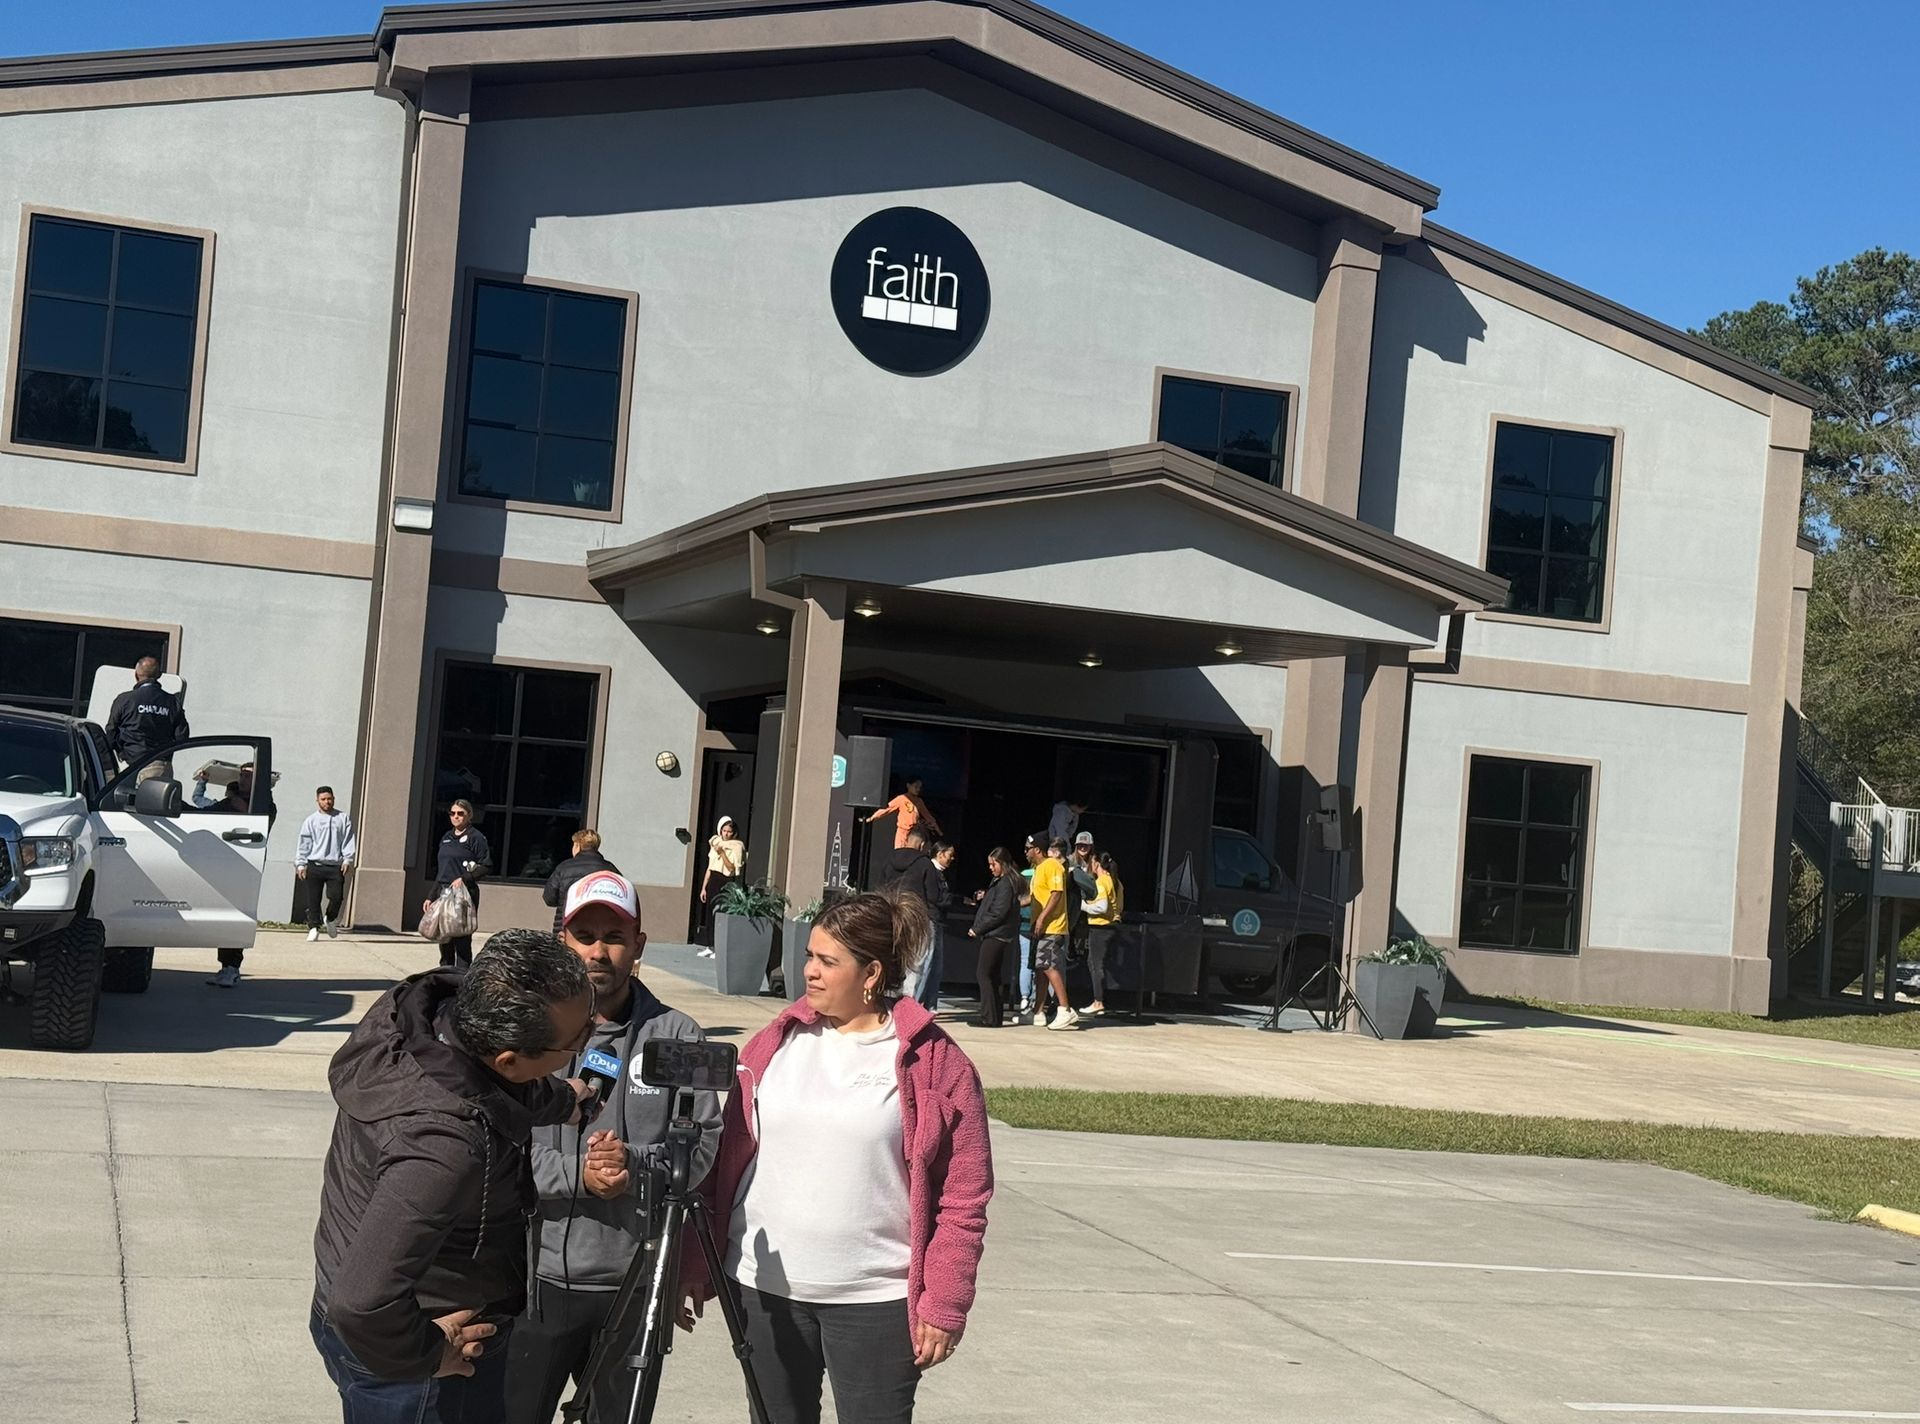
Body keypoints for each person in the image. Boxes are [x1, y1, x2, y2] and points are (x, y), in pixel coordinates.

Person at [698, 888, 993, 1424]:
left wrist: (946, 1300)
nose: (809, 971)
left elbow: (964, 1197)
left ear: (871, 973)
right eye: (809, 955)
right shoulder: (774, 1042)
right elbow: (724, 1162)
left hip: (876, 1300)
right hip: (763, 1290)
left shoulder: (935, 1062)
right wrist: (697, 1264)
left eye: (827, 961)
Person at [310, 929, 598, 1424]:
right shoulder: (443, 1147)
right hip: (414, 1352)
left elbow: (493, 1085)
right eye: (579, 1038)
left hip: (373, 1314)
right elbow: (361, 1305)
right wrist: (428, 1354)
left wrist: (564, 1101)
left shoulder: (425, 1017)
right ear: (510, 1058)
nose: (590, 1033)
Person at [505, 871, 722, 1424]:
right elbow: (501, 1150)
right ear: (562, 941)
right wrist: (580, 1174)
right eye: (585, 936)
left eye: (615, 937)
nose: (598, 952)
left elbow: (700, 1147)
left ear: (639, 945)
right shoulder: (524, 1032)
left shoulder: (678, 1036)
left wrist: (632, 1165)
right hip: (532, 1279)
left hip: (636, 1283)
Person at [203, 763, 275, 988]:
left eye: (248, 776)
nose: (243, 780)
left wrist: (237, 803)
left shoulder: (265, 804)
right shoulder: (229, 801)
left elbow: (258, 822)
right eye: (241, 775)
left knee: (237, 913)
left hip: (245, 864)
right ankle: (226, 966)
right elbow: (206, 813)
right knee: (224, 915)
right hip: (224, 863)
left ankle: (233, 966)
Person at [884, 830, 949, 1009]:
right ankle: (909, 1007)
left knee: (894, 959)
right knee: (916, 965)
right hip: (918, 918)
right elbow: (933, 895)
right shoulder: (925, 864)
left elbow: (881, 885)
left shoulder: (889, 860)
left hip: (894, 916)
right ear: (922, 845)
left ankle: (888, 1003)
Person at [428, 800, 492, 970]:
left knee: (462, 941)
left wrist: (464, 878)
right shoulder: (446, 837)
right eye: (453, 813)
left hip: (464, 894)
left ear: (469, 815)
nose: (456, 816)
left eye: (460, 813)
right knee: (445, 939)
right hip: (444, 893)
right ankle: (445, 974)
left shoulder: (476, 838)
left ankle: (462, 977)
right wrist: (431, 896)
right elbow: (442, 870)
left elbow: (486, 866)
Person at [966, 847, 1023, 1028]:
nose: (991, 868)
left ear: (1003, 863)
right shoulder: (1003, 881)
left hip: (996, 934)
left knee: (984, 974)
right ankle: (995, 1016)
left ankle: (988, 1017)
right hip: (1000, 933)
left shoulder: (1005, 883)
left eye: (994, 864)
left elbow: (999, 912)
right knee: (993, 975)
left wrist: (978, 929)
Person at [106, 657, 188, 781]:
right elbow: (182, 737)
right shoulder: (172, 702)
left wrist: (120, 751)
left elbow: (111, 732)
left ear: (136, 675)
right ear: (159, 675)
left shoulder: (124, 700)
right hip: (158, 766)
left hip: (128, 767)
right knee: (154, 794)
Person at [1026, 838, 1078, 1030]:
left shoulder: (1053, 865)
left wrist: (1041, 918)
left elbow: (1056, 893)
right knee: (1040, 968)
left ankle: (1065, 1009)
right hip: (1040, 928)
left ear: (1037, 850)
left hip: (1052, 927)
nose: (1025, 852)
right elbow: (1034, 898)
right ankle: (1037, 1012)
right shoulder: (1038, 870)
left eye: (1028, 848)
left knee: (1047, 965)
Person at [297, 786, 357, 944]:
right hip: (315, 865)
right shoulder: (311, 820)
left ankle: (330, 918)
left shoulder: (342, 818)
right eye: (323, 799)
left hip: (335, 865)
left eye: (329, 799)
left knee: (337, 897)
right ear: (317, 800)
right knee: (313, 899)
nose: (327, 802)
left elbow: (348, 840)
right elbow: (304, 843)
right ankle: (313, 928)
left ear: (333, 799)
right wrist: (301, 864)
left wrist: (347, 859)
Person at [542, 828, 620, 938]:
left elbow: (549, 898)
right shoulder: (610, 869)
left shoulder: (564, 867)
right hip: (598, 931)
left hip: (566, 929)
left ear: (577, 846)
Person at [1081, 852, 1124, 1018]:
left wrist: (1083, 906)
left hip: (1100, 928)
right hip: (1109, 927)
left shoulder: (1101, 882)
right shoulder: (1114, 881)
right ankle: (1098, 1000)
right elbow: (1118, 906)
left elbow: (1102, 907)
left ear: (1096, 863)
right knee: (1095, 963)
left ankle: (1098, 1002)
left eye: (1091, 862)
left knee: (1095, 965)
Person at [698, 816, 746, 954]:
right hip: (713, 880)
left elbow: (731, 868)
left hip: (724, 881)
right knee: (710, 913)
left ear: (733, 833)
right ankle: (709, 945)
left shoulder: (736, 847)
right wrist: (704, 888)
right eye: (724, 831)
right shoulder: (716, 843)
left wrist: (723, 853)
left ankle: (718, 948)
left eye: (729, 831)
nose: (726, 834)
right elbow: (710, 867)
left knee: (720, 913)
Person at [866, 778, 942, 850]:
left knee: (913, 851)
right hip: (903, 831)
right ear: (908, 785)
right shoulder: (901, 798)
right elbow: (887, 809)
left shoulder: (919, 801)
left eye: (919, 787)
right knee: (900, 851)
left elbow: (927, 816)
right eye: (916, 786)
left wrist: (938, 830)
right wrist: (872, 817)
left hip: (914, 833)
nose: (918, 789)